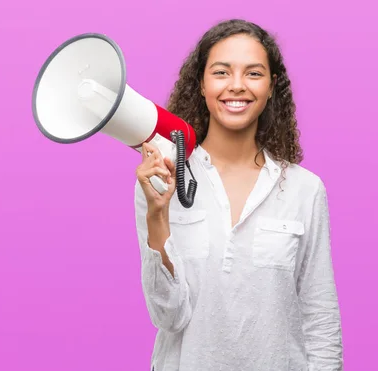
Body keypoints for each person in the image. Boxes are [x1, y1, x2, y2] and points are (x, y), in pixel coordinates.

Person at [134, 19, 343, 370]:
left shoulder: (304, 190)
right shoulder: (164, 181)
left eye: (254, 73)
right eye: (221, 72)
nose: (236, 86)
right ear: (201, 84)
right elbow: (167, 316)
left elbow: (319, 314)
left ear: (272, 86)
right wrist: (157, 213)